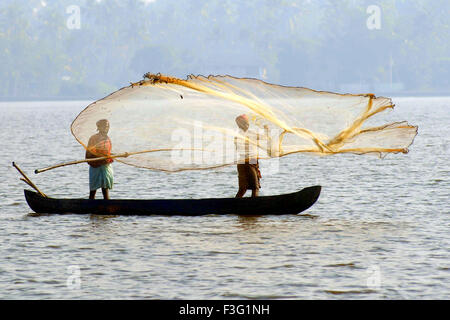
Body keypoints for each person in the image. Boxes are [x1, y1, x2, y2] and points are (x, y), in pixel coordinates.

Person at [234, 114, 262, 198]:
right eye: (245, 123)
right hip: (249, 161)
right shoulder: (244, 135)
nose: (247, 125)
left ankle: (234, 206)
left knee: (243, 188)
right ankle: (254, 206)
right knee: (255, 187)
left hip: (242, 162)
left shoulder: (238, 135)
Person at [85, 119, 114, 200]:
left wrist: (118, 155)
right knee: (93, 190)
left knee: (105, 189)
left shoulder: (107, 139)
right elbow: (89, 153)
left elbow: (107, 152)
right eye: (104, 126)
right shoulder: (93, 138)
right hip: (95, 166)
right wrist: (98, 157)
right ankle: (91, 207)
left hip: (105, 165)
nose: (106, 128)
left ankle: (107, 205)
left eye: (108, 126)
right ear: (99, 127)